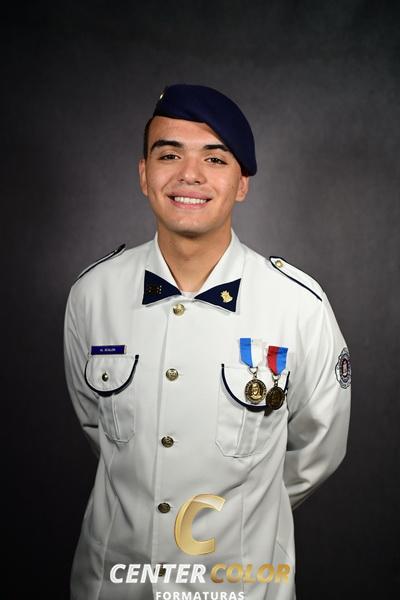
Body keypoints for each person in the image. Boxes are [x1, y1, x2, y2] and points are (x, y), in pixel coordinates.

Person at [63, 84, 351, 600]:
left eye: (214, 159)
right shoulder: (92, 294)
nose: (189, 175)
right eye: (169, 154)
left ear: (242, 183)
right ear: (144, 174)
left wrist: (247, 510)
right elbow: (97, 428)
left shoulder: (298, 305)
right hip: (110, 583)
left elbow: (318, 450)